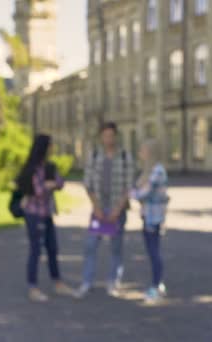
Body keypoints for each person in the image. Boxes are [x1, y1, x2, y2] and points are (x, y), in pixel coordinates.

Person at [76, 122, 135, 298]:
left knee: (116, 247)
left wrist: (118, 209)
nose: (108, 139)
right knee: (91, 245)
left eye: (111, 135)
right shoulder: (94, 155)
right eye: (105, 135)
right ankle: (87, 282)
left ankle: (113, 281)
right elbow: (88, 184)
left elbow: (129, 185)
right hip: (99, 209)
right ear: (101, 137)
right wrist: (96, 208)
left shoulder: (125, 156)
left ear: (115, 136)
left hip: (118, 210)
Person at [16, 134, 75, 302]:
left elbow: (61, 183)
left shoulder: (49, 167)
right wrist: (48, 186)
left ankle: (57, 282)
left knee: (53, 248)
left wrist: (51, 184)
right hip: (34, 214)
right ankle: (32, 286)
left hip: (47, 213)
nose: (52, 149)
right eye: (50, 146)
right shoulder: (31, 169)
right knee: (36, 250)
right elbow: (36, 191)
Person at [130, 139, 169, 303]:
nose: (140, 153)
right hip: (148, 215)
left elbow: (144, 193)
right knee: (152, 251)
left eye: (143, 150)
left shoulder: (157, 171)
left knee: (154, 252)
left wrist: (130, 193)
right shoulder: (150, 170)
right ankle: (157, 284)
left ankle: (155, 286)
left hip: (154, 217)